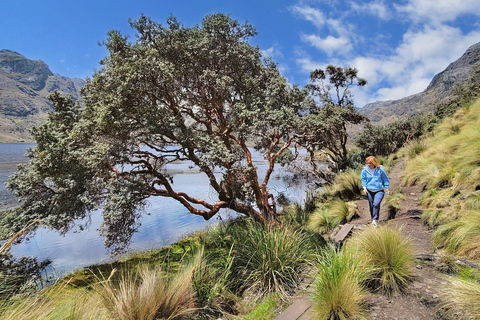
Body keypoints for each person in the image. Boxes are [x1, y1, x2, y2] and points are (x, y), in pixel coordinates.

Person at [361, 156, 390, 227]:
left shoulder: (380, 169)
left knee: (376, 204)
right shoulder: (364, 170)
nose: (368, 164)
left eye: (370, 163)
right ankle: (373, 220)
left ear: (374, 163)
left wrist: (387, 188)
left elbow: (385, 179)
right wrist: (364, 188)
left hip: (379, 190)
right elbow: (363, 179)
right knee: (371, 205)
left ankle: (375, 219)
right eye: (367, 163)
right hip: (369, 190)